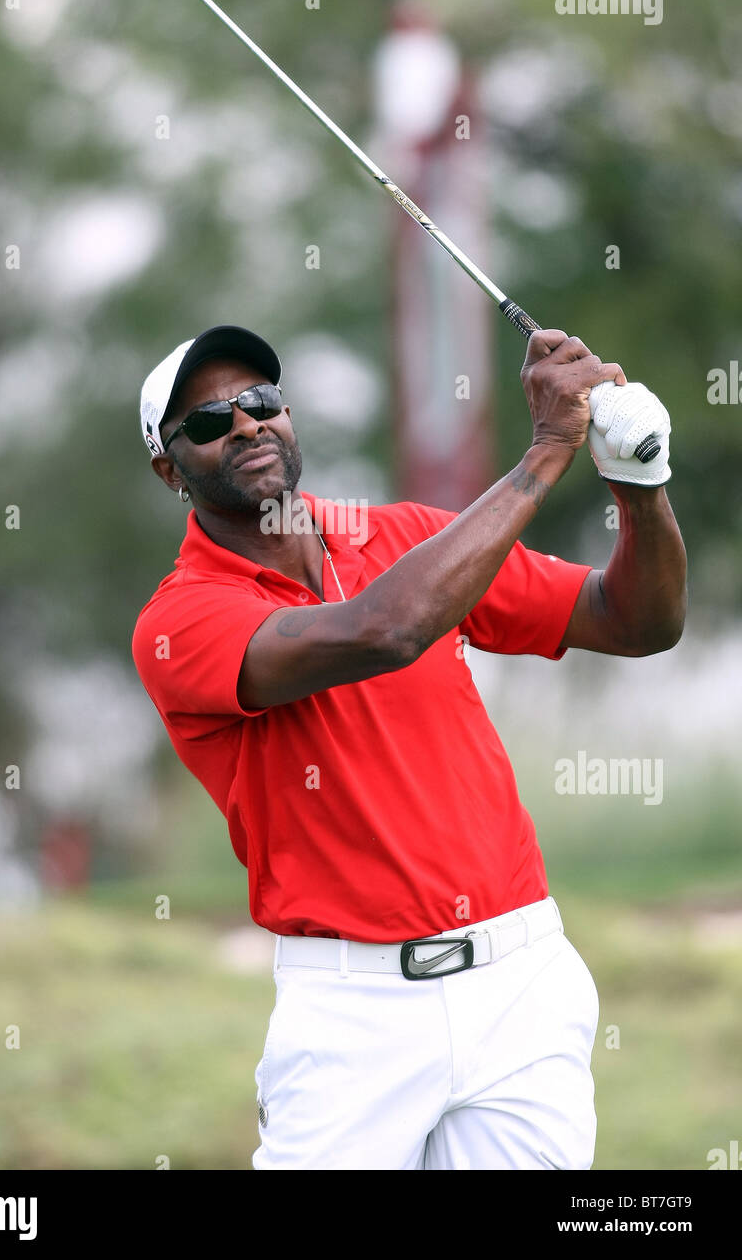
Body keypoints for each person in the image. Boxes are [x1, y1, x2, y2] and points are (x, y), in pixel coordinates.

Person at [132, 322, 686, 1171]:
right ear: (172, 470)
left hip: (519, 983)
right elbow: (383, 629)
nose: (245, 425)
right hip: (353, 1014)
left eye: (260, 401)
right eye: (207, 423)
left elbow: (635, 620)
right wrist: (544, 454)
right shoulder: (180, 620)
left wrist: (639, 483)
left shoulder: (405, 539)